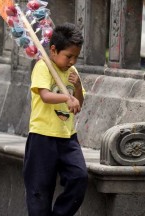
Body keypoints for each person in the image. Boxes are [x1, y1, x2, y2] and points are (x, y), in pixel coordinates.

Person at [23, 23, 88, 216]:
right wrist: (66, 97)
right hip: (42, 137)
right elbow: (45, 95)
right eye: (69, 56)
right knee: (39, 191)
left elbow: (79, 103)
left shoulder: (72, 73)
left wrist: (77, 88)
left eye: (76, 57)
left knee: (79, 177)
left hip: (68, 137)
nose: (72, 61)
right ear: (53, 50)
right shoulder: (43, 66)